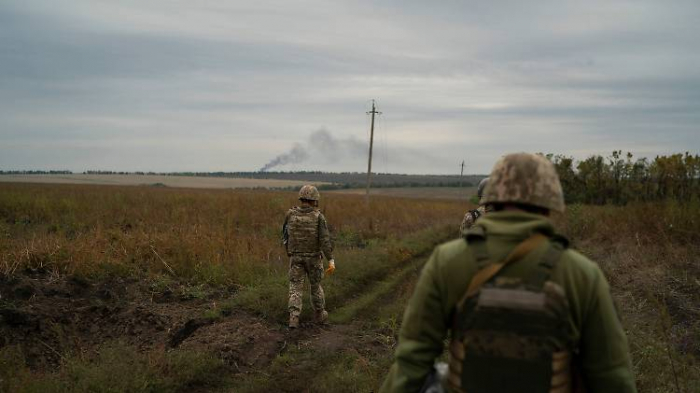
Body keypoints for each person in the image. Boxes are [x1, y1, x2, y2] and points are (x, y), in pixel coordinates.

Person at [380, 153, 637, 393]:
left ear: (491, 198)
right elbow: (613, 377)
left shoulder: (447, 262)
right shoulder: (582, 274)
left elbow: (411, 362)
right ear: (549, 204)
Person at [282, 185, 335, 329]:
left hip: (296, 258)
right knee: (316, 287)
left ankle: (293, 318)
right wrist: (330, 259)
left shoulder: (290, 214)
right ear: (314, 200)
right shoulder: (318, 216)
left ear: (301, 198)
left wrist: (289, 251)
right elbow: (325, 241)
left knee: (295, 288)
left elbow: (285, 236)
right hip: (313, 259)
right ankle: (319, 315)